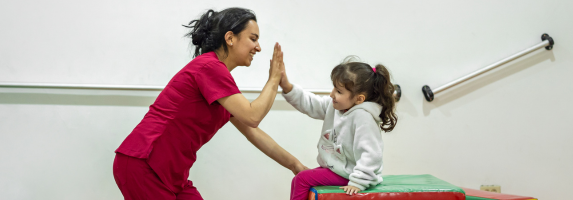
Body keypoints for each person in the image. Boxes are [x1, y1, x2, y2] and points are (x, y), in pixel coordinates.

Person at [113, 8, 308, 200]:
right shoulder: (210, 67)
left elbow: (253, 131)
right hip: (144, 163)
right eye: (253, 39)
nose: (258, 47)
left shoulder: (219, 79)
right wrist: (274, 79)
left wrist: (295, 165)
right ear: (230, 38)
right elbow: (253, 116)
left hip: (172, 174)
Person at [279, 56, 398, 200]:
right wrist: (287, 87)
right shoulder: (335, 107)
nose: (332, 94)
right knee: (299, 179)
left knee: (302, 179)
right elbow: (311, 103)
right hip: (338, 169)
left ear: (359, 99)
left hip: (351, 174)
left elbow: (371, 153)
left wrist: (359, 181)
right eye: (334, 88)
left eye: (339, 92)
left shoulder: (363, 117)